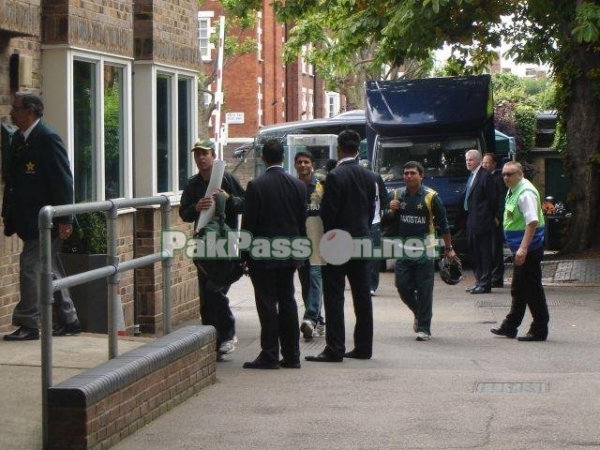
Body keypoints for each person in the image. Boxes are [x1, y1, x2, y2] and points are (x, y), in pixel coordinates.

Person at [2, 92, 81, 341]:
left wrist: (66, 218)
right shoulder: (19, 138)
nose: (12, 112)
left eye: (16, 108)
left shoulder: (47, 138)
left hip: (48, 221)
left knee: (30, 266)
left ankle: (28, 322)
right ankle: (70, 319)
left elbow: (63, 180)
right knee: (48, 266)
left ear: (31, 112)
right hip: (29, 219)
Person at [305, 130, 377, 362]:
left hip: (338, 242)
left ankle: (335, 348)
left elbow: (329, 213)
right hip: (362, 238)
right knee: (362, 296)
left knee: (334, 295)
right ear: (357, 148)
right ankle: (364, 347)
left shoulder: (335, 176)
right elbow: (374, 210)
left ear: (339, 147)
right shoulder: (369, 176)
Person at [241, 139, 307, 369]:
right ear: (283, 157)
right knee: (288, 301)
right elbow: (301, 224)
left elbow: (248, 224)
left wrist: (243, 255)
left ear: (263, 157)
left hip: (263, 255)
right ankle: (292, 355)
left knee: (267, 303)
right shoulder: (298, 186)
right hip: (289, 253)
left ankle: (269, 353)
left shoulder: (256, 186)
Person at [179, 139, 245, 357]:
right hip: (203, 244)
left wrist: (229, 198)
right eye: (197, 154)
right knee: (205, 296)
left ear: (213, 156)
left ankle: (227, 333)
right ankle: (211, 343)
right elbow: (184, 213)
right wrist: (195, 207)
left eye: (204, 153)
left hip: (226, 244)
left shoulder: (227, 178)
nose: (200, 158)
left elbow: (245, 204)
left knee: (215, 290)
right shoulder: (192, 184)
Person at [385, 161, 455, 341]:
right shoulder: (397, 195)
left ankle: (424, 328)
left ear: (421, 176)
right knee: (402, 286)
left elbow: (444, 225)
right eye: (406, 173)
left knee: (424, 289)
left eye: (412, 173)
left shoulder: (432, 197)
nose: (408, 176)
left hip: (426, 249)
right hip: (404, 249)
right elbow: (386, 221)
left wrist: (449, 249)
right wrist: (390, 210)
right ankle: (418, 311)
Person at [491, 161, 549, 341]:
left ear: (520, 174)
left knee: (532, 289)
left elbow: (531, 222)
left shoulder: (525, 193)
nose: (506, 177)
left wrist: (523, 248)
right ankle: (510, 326)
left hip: (528, 249)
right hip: (521, 249)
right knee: (519, 288)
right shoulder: (514, 189)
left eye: (510, 174)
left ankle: (539, 329)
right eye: (504, 174)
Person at [294, 151, 326, 341]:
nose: (303, 165)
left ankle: (310, 317)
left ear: (312, 164)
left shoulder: (322, 187)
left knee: (315, 276)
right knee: (306, 282)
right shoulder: (293, 187)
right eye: (300, 162)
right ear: (296, 165)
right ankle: (318, 320)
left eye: (306, 162)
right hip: (299, 242)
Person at [462, 149, 496, 294]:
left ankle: (485, 282)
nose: (468, 162)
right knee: (474, 252)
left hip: (482, 221)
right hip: (471, 219)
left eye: (470, 160)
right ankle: (478, 280)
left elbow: (492, 199)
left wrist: (489, 217)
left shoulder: (485, 176)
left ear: (478, 161)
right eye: (466, 160)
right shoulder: (471, 176)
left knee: (484, 253)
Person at [482, 153, 508, 288]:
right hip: (487, 219)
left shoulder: (498, 179)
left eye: (487, 163)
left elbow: (501, 199)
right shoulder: (486, 178)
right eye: (483, 162)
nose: (484, 165)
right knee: (490, 249)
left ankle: (497, 277)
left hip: (495, 219)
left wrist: (498, 216)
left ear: (494, 164)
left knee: (496, 249)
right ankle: (492, 276)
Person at [368, 174, 389, 296]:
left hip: (374, 222)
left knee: (374, 256)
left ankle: (371, 285)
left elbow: (385, 197)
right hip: (356, 223)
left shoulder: (376, 178)